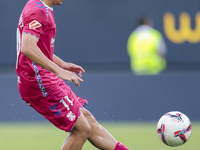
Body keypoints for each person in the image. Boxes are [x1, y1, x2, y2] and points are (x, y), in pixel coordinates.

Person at [16, 0, 129, 150]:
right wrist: (58, 71)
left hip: (44, 77)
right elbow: (28, 47)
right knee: (82, 129)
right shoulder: (38, 11)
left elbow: (39, 47)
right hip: (38, 81)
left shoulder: (39, 6)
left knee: (88, 120)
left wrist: (61, 64)